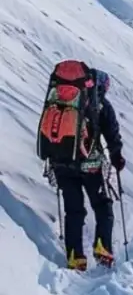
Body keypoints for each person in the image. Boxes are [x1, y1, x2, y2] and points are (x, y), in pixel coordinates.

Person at [37, 63, 125, 271]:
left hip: (61, 161)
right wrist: (117, 158)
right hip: (90, 164)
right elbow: (112, 135)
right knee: (102, 205)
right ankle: (102, 247)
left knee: (73, 210)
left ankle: (75, 257)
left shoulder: (59, 100)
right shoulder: (100, 105)